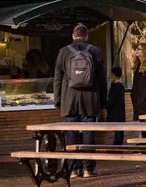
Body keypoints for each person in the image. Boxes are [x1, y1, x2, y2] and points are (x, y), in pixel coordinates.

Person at [53, 24, 106, 179]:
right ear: (87, 36)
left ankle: (73, 169)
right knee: (89, 132)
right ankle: (88, 168)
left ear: (73, 35)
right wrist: (103, 101)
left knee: (71, 134)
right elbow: (102, 79)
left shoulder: (63, 52)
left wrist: (58, 100)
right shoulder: (95, 51)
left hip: (69, 99)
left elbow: (57, 77)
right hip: (90, 99)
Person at [106, 67, 126, 145]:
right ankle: (120, 148)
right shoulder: (121, 87)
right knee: (120, 132)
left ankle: (116, 148)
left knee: (117, 133)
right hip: (121, 115)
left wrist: (104, 105)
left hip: (115, 115)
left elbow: (110, 102)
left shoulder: (113, 88)